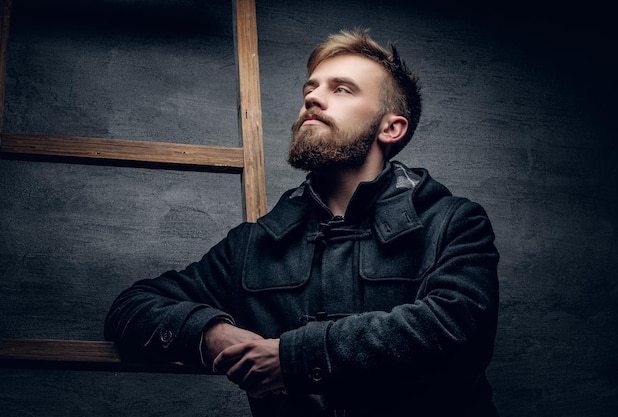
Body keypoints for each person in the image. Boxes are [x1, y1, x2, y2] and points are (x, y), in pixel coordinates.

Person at [105, 28, 500, 417]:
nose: (312, 98)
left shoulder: (453, 222)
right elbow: (131, 309)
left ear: (391, 127)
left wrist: (292, 358)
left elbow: (458, 330)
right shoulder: (252, 245)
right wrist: (211, 334)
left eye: (341, 89)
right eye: (310, 89)